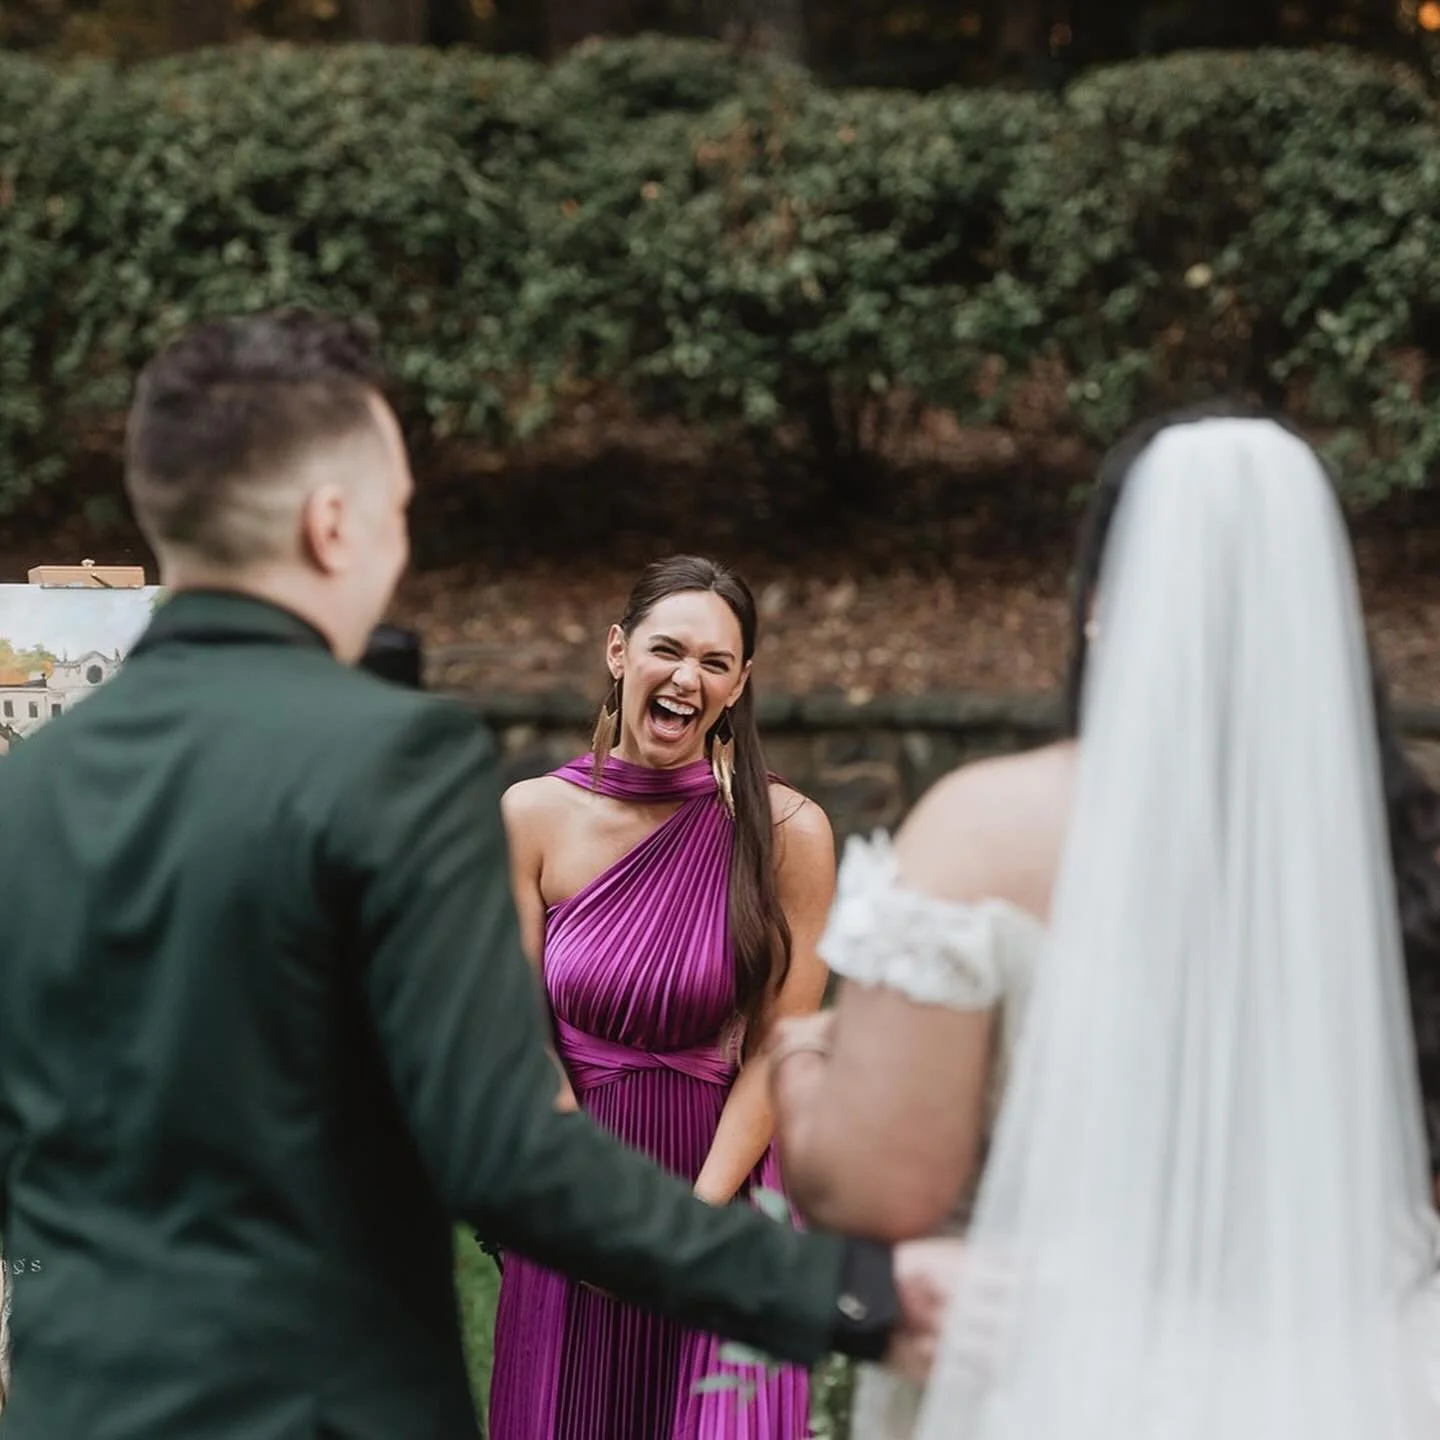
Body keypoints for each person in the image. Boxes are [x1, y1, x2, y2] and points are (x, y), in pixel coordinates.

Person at [0, 309, 957, 1440]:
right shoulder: (389, 763)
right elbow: (506, 1143)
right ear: (332, 527)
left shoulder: (30, 787)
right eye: (401, 514)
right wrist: (838, 1292)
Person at [770, 407, 1440, 1438]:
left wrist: (803, 1061)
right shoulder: (1404, 856)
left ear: (1097, 605)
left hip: (1070, 1381)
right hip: (1363, 1376)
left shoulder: (991, 831)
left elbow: (873, 1189)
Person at [489, 556, 834, 1439]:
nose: (688, 677)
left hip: (721, 1197)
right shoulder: (531, 816)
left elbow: (778, 1051)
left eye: (716, 663)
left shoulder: (788, 834)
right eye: (667, 650)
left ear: (740, 683)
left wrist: (686, 1231)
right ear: (618, 652)